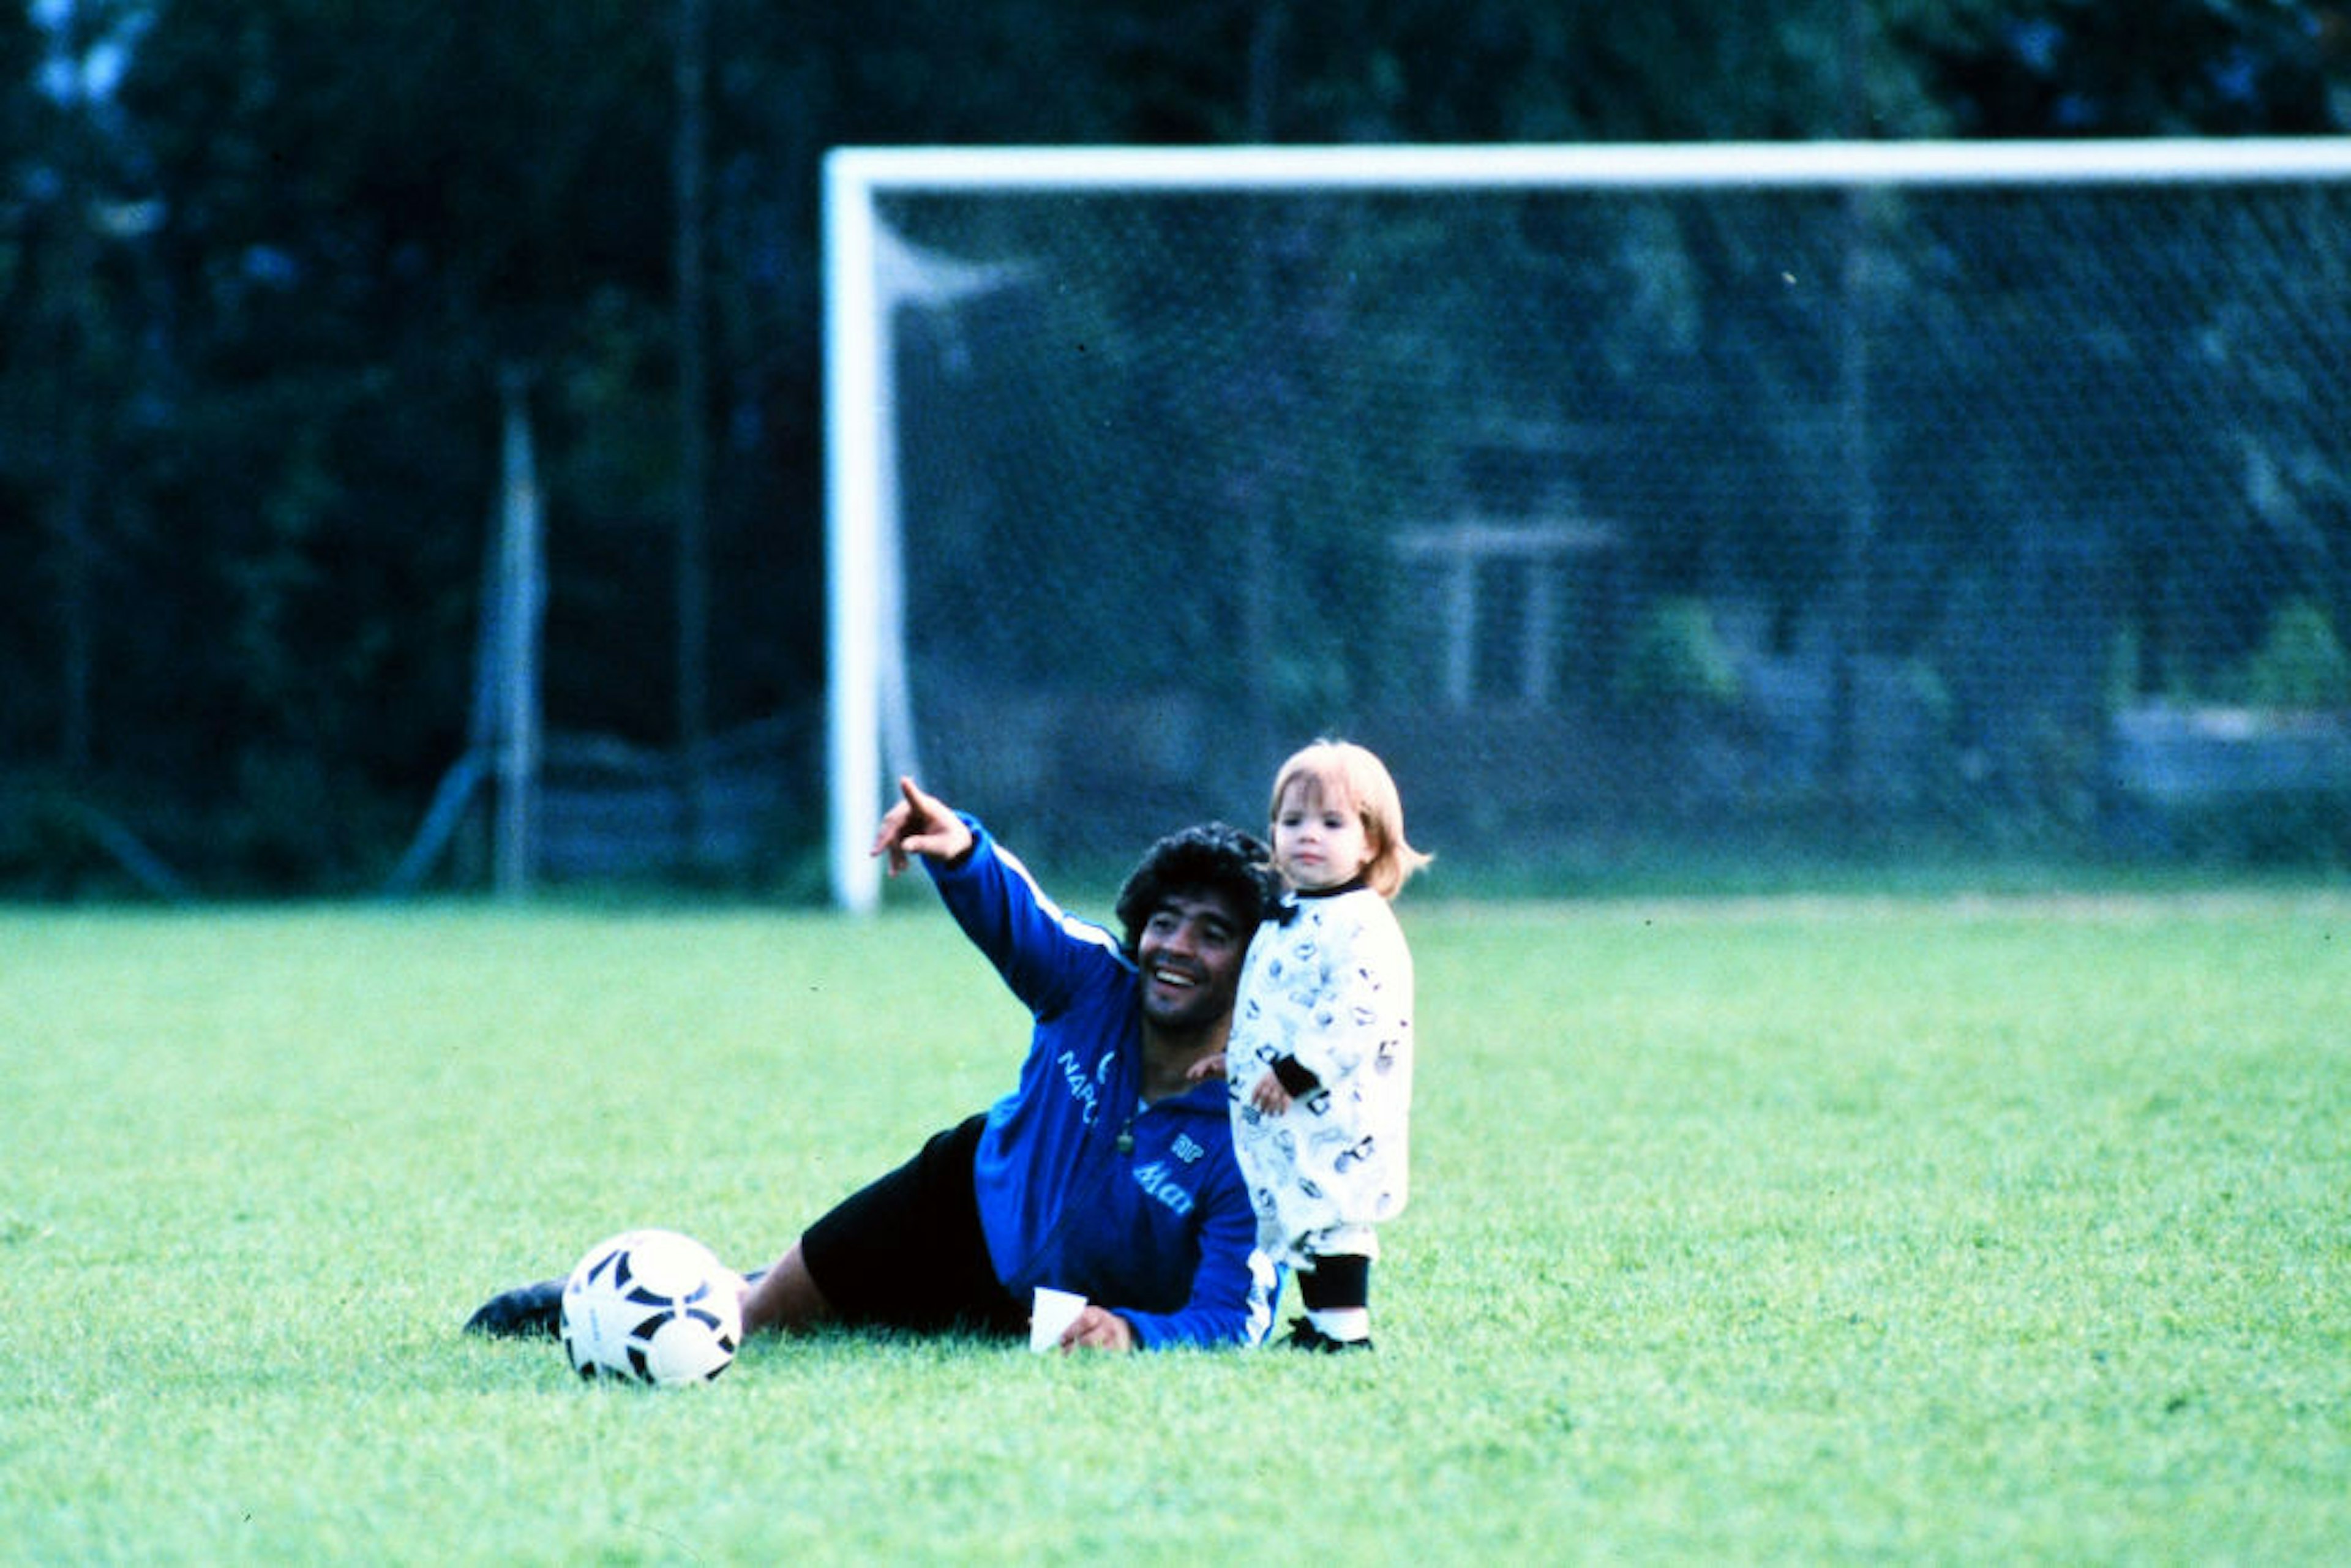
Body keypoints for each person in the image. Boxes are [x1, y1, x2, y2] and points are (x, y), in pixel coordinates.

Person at [467, 776, 1283, 1352]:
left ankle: (715, 1286)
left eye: (1213, 934)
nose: (1176, 947)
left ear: (1259, 965)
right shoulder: (1092, 983)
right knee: (752, 1320)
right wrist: (959, 847)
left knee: (868, 1324)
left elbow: (1234, 1317)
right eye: (1166, 921)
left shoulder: (1261, 1130)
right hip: (958, 1201)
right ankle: (604, 1309)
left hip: (1048, 1310)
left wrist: (1135, 1334)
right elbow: (1019, 918)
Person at [1208, 739, 1428, 1352]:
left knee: (1334, 1217)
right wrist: (1239, 1059)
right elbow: (1277, 1006)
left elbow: (1356, 1014)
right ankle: (1321, 1326)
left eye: (1332, 822)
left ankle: (1346, 1332)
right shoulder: (1291, 913)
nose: (1309, 834)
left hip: (1336, 1107)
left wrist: (1298, 1071)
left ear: (1371, 843)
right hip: (1290, 1108)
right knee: (1302, 1218)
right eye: (1292, 820)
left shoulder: (1361, 921)